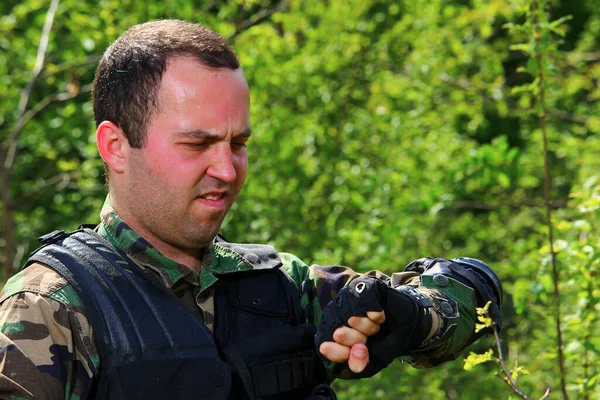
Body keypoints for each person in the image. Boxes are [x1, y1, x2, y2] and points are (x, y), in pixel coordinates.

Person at [0, 20, 502, 400]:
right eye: (197, 144)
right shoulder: (52, 310)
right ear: (114, 145)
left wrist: (406, 316)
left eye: (238, 143)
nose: (227, 168)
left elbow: (473, 302)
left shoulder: (282, 286)